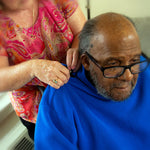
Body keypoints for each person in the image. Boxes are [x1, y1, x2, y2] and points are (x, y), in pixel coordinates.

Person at [35, 12, 150, 150]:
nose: (128, 76)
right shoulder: (61, 97)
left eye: (134, 60)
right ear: (86, 62)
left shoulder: (144, 70)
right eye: (113, 64)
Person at [0, 0, 86, 140]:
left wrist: (77, 48)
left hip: (75, 90)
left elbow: (82, 31)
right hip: (36, 109)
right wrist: (33, 68)